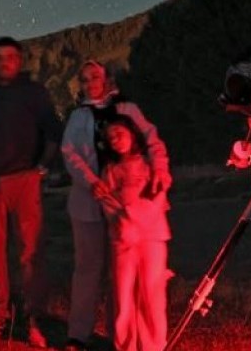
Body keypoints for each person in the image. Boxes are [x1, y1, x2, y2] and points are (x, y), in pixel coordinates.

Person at [59, 60, 171, 351]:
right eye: (84, 79)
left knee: (124, 276)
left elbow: (152, 141)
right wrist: (89, 180)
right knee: (88, 269)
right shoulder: (78, 117)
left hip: (129, 207)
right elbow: (70, 153)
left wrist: (160, 170)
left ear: (105, 78)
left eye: (94, 76)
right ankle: (78, 334)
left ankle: (124, 337)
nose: (90, 83)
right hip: (90, 203)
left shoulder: (127, 110)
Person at [0, 37, 62, 348]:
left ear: (19, 60)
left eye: (10, 57)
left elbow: (53, 131)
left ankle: (34, 318)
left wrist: (42, 167)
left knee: (31, 253)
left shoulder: (34, 93)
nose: (4, 63)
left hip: (24, 178)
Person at [99, 116, 172, 351]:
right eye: (110, 137)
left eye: (119, 133)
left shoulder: (150, 165)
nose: (115, 139)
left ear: (132, 133)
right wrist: (123, 224)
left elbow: (158, 198)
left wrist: (131, 215)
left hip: (152, 236)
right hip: (122, 239)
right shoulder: (110, 171)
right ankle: (125, 345)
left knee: (152, 295)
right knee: (123, 295)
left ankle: (154, 346)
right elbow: (107, 204)